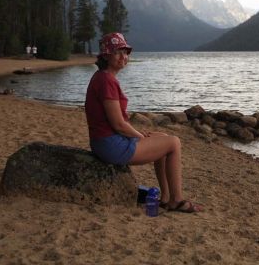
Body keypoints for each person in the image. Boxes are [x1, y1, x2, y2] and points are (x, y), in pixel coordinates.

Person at [85, 32, 202, 213]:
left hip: (105, 141)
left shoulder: (103, 77)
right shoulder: (106, 80)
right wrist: (139, 136)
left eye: (126, 52)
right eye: (118, 52)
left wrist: (139, 135)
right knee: (174, 143)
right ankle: (177, 200)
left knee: (163, 137)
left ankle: (165, 198)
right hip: (110, 145)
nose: (124, 57)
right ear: (107, 55)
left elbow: (117, 123)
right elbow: (118, 124)